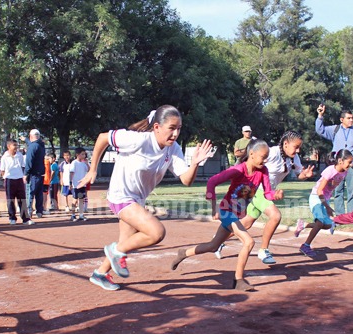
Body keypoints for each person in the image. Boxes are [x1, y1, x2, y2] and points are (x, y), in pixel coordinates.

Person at [78, 105, 213, 291]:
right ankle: (115, 251)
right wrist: (93, 169)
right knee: (156, 232)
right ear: (157, 127)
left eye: (179, 128)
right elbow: (103, 137)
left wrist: (195, 163)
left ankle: (100, 273)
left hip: (137, 199)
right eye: (171, 128)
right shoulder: (138, 140)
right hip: (120, 195)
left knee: (126, 242)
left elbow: (186, 180)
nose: (175, 134)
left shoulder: (172, 149)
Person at [170, 139, 277, 291]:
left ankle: (183, 253)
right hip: (227, 211)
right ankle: (238, 280)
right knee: (249, 242)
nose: (265, 160)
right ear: (251, 154)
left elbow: (267, 193)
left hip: (236, 214)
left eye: (267, 157)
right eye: (263, 156)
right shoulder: (238, 170)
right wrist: (214, 209)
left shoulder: (263, 171)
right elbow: (212, 182)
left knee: (214, 246)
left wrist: (275, 195)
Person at [214, 131, 315, 264]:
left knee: (246, 223)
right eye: (295, 147)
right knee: (275, 216)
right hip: (257, 190)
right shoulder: (272, 152)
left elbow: (298, 175)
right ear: (285, 144)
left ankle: (218, 240)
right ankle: (264, 250)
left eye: (299, 147)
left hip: (267, 192)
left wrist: (305, 175)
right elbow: (255, 161)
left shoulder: (293, 158)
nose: (298, 150)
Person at [294, 149, 353, 257]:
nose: (351, 164)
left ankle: (303, 225)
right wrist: (327, 207)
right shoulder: (330, 170)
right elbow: (319, 190)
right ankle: (305, 246)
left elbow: (330, 187)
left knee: (327, 225)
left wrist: (327, 202)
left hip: (324, 198)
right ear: (340, 161)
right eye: (349, 162)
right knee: (320, 222)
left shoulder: (344, 172)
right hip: (316, 197)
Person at [315, 104, 353, 214]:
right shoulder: (335, 129)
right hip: (338, 166)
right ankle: (339, 214)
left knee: (352, 191)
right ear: (342, 119)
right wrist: (320, 115)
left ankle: (351, 215)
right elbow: (320, 130)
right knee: (337, 191)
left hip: (352, 165)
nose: (351, 120)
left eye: (352, 118)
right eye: (348, 118)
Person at [0, 139, 34, 225]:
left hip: (19, 179)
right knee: (10, 200)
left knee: (22, 199)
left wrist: (23, 176)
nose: (16, 147)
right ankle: (12, 218)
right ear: (8, 146)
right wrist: (5, 177)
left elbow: (23, 166)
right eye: (14, 145)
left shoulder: (20, 155)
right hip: (9, 180)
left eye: (17, 145)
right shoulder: (4, 157)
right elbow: (2, 170)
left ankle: (25, 219)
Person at [24, 129, 45, 218]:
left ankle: (29, 210)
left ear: (31, 136)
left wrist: (26, 173)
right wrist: (25, 140)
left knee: (30, 193)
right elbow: (33, 144)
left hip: (33, 174)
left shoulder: (32, 147)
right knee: (39, 193)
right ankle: (39, 211)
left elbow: (29, 161)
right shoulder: (41, 145)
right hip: (41, 173)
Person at [70, 147, 90, 221]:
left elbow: (89, 170)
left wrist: (87, 163)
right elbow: (71, 173)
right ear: (77, 155)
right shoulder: (74, 163)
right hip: (76, 185)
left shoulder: (84, 163)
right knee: (75, 200)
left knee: (81, 199)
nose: (84, 156)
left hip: (83, 184)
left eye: (84, 154)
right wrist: (70, 183)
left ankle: (81, 215)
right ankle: (73, 214)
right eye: (82, 154)